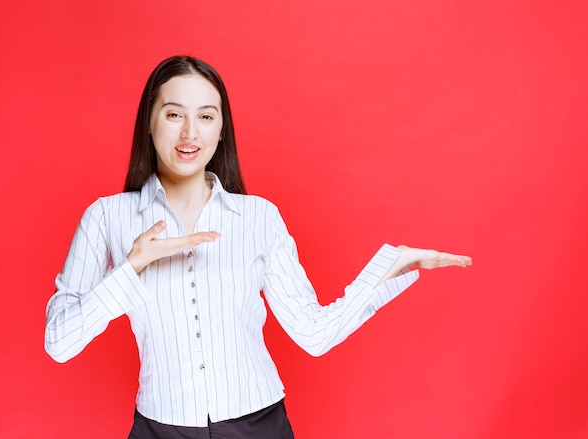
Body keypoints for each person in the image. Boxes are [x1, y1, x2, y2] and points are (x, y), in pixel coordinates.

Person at [44, 55, 472, 439]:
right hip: (159, 426)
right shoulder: (106, 217)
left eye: (206, 117)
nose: (190, 132)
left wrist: (388, 267)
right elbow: (58, 344)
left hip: (258, 427)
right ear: (149, 121)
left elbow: (314, 334)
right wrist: (132, 267)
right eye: (174, 114)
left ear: (221, 129)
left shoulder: (258, 218)